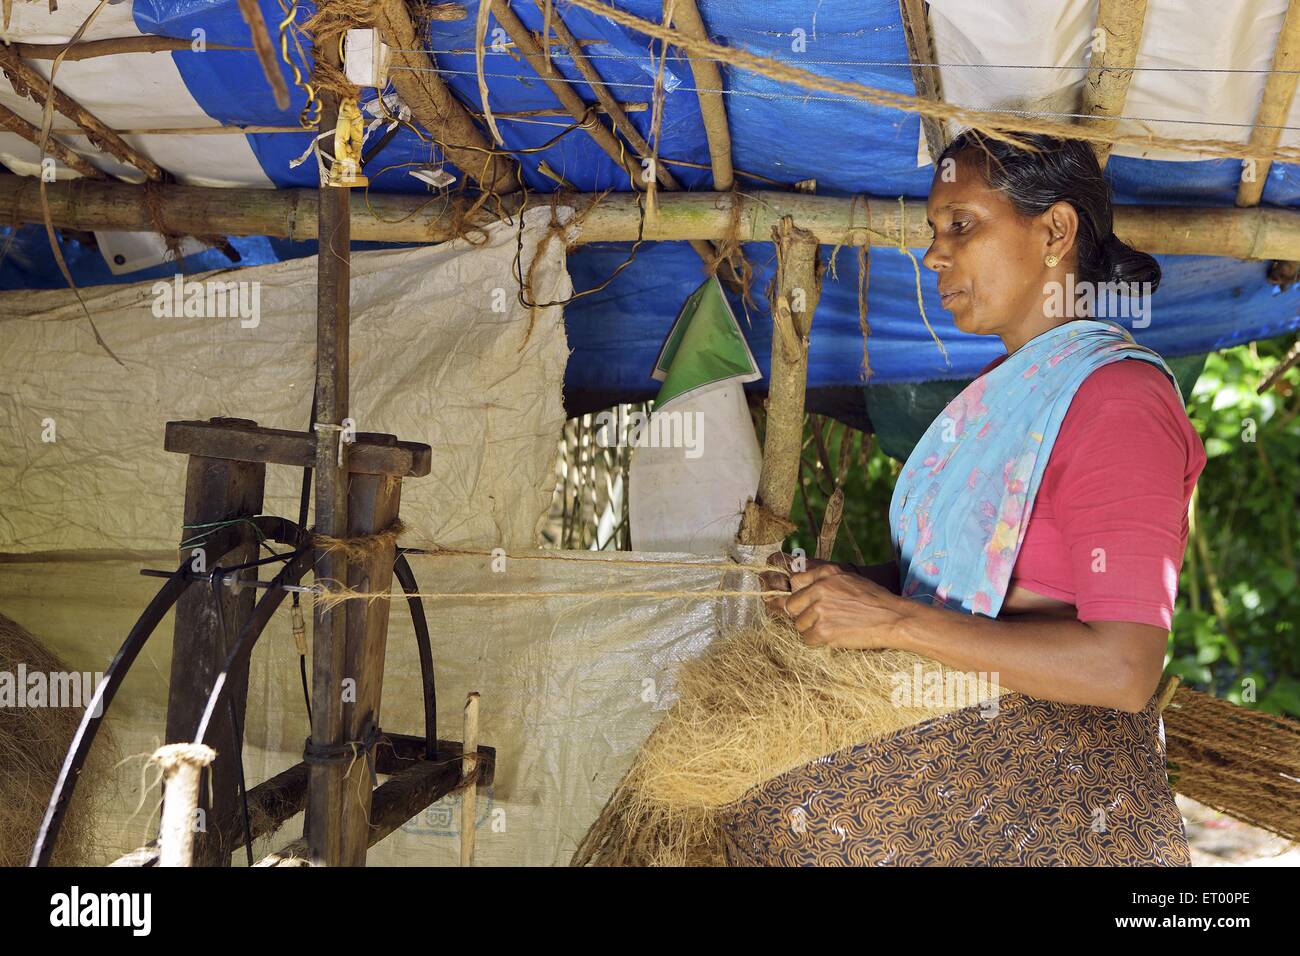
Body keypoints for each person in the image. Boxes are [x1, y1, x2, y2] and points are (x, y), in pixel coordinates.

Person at [736, 131, 1206, 866]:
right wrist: (836, 594)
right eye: (933, 231)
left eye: (961, 224)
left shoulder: (1119, 400)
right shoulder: (1007, 401)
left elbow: (1122, 671)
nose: (934, 254)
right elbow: (968, 593)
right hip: (978, 792)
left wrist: (890, 619)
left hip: (1057, 816)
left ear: (1054, 231)